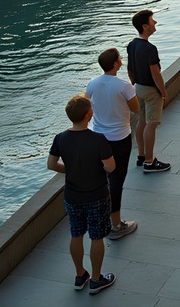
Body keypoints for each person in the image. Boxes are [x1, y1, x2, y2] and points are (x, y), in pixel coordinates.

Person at [48, 95, 117, 294]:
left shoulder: (60, 138)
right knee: (96, 237)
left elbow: (51, 165)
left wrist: (69, 170)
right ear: (88, 115)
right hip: (96, 195)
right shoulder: (98, 139)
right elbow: (110, 167)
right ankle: (96, 279)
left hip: (72, 195)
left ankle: (80, 275)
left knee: (76, 234)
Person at [86, 47, 140, 239]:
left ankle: (101, 217)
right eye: (119, 58)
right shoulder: (124, 86)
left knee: (102, 179)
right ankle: (116, 224)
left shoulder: (92, 83)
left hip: (98, 137)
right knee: (117, 180)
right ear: (116, 63)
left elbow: (87, 106)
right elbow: (136, 108)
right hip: (119, 138)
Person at [127, 10, 170, 172]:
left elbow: (130, 70)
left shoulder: (132, 45)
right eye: (152, 20)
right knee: (152, 124)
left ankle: (141, 155)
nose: (155, 23)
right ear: (145, 26)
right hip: (151, 91)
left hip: (138, 87)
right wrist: (163, 92)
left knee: (141, 121)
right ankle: (150, 162)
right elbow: (155, 73)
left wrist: (134, 84)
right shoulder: (150, 48)